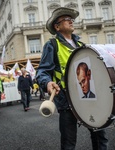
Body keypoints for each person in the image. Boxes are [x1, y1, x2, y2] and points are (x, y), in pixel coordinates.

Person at [36, 7, 108, 150]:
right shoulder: (52, 45)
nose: (71, 21)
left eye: (72, 19)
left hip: (88, 97)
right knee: (69, 143)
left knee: (100, 137)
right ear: (57, 27)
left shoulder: (82, 46)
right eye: (67, 19)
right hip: (66, 99)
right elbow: (42, 71)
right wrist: (48, 82)